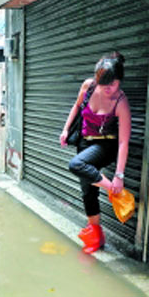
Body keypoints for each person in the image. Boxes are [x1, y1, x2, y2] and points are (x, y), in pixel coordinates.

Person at [60, 51, 131, 254]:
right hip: (84, 142)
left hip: (106, 146)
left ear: (120, 81)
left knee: (76, 165)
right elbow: (76, 106)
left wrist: (118, 177)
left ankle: (112, 190)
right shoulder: (88, 86)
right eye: (104, 84)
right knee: (88, 191)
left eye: (114, 84)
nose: (108, 89)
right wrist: (65, 129)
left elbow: (124, 142)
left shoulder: (121, 103)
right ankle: (96, 237)